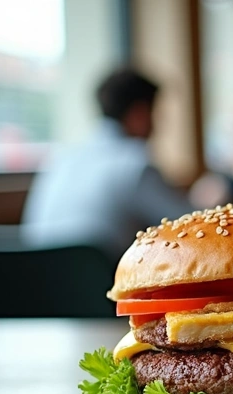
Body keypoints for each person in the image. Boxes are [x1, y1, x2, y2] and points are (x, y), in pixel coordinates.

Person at [21, 68, 191, 256]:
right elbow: (187, 226)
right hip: (99, 282)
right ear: (139, 113)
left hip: (37, 281)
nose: (158, 125)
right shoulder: (135, 164)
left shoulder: (61, 159)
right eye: (155, 113)